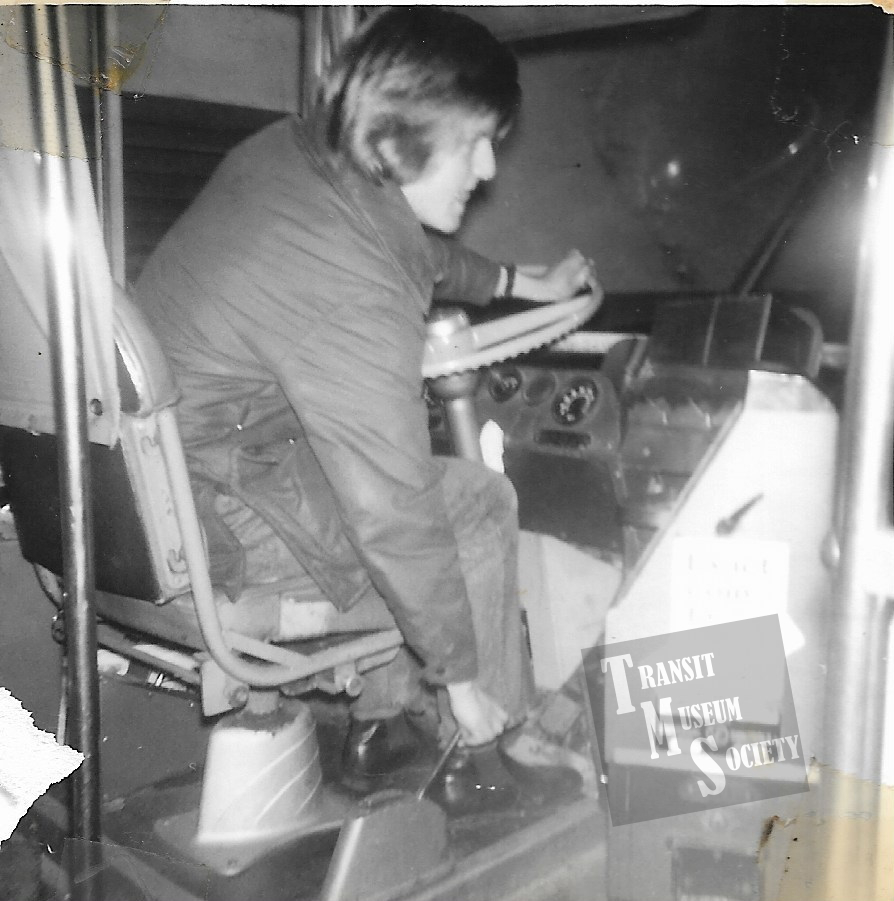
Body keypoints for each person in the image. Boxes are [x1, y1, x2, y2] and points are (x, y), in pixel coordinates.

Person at [136, 7, 597, 812]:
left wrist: (524, 282)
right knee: (474, 503)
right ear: (401, 134)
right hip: (216, 532)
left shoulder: (293, 157)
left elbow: (414, 249)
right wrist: (460, 682)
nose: (489, 167)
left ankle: (382, 728)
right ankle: (482, 751)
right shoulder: (353, 286)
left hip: (166, 498)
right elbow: (392, 508)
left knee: (412, 501)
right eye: (474, 142)